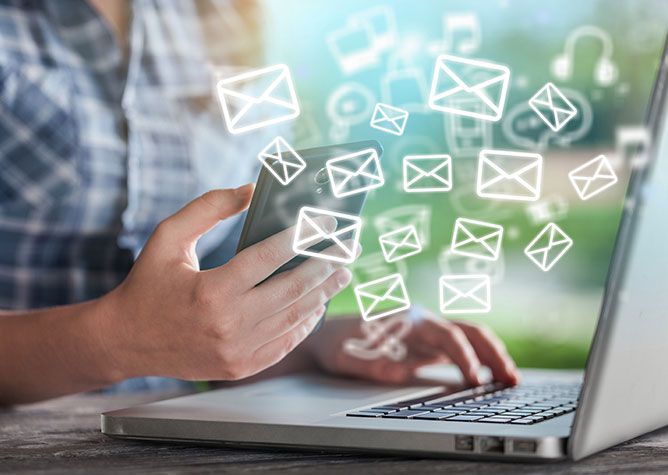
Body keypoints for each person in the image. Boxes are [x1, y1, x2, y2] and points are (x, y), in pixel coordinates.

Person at [0, 0, 518, 406]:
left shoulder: (232, 21)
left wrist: (308, 341)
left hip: (167, 444)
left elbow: (205, 325)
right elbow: (155, 334)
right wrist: (119, 341)